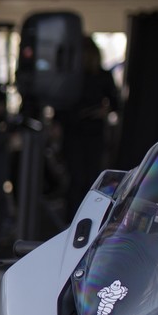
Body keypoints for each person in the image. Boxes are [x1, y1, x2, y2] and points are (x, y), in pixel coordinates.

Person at [56, 35, 116, 213]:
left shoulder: (101, 76)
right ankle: (73, 215)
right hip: (74, 131)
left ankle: (87, 214)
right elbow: (61, 106)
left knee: (90, 178)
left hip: (91, 132)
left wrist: (102, 111)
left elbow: (114, 103)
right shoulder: (71, 76)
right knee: (77, 178)